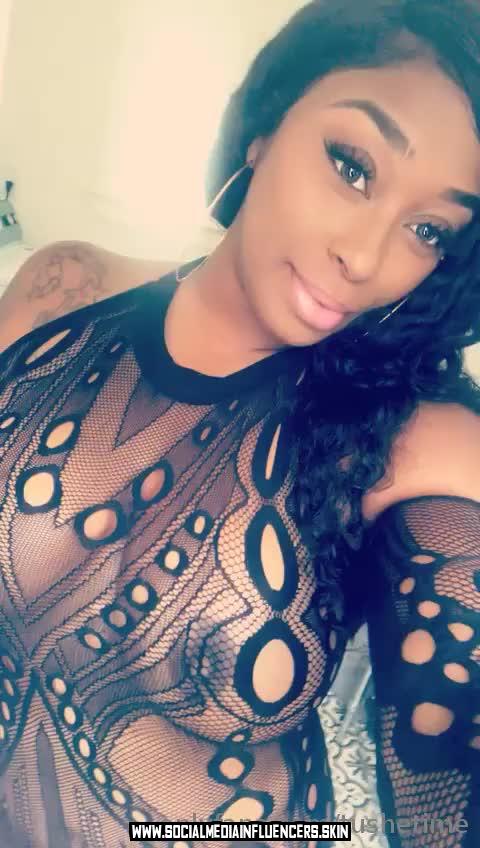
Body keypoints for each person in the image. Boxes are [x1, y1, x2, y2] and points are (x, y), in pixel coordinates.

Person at [0, 0, 479, 845]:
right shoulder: (61, 289)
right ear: (265, 126)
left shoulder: (412, 438)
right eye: (353, 166)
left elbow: (447, 759)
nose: (365, 257)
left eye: (427, 230)